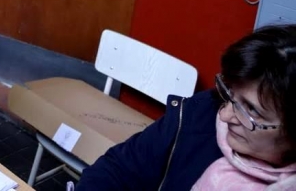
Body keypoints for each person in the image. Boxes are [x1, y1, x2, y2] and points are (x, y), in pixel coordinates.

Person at [77, 24, 296, 190]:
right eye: (229, 93)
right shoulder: (201, 113)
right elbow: (119, 167)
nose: (226, 114)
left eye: (251, 110)